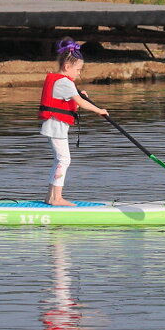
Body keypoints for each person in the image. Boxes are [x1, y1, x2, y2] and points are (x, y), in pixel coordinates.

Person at [39, 37, 109, 207]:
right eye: (78, 69)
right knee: (64, 159)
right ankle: (56, 198)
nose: (79, 73)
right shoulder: (64, 82)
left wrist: (79, 96)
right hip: (55, 126)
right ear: (67, 67)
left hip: (55, 125)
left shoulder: (61, 81)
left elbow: (71, 102)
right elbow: (81, 103)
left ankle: (51, 197)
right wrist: (99, 111)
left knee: (60, 159)